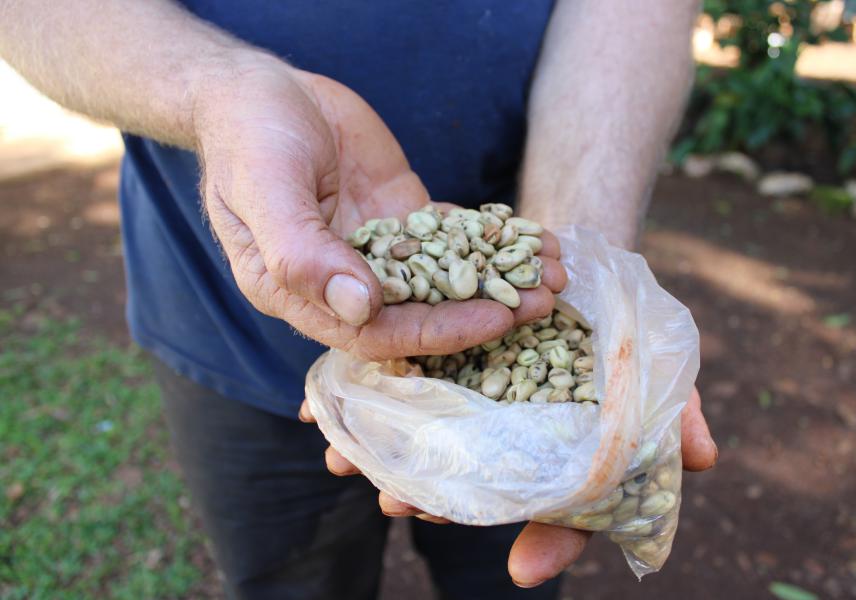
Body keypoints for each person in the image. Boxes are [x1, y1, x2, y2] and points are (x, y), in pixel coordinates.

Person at [0, 1, 717, 598]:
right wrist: (216, 87)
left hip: (517, 371)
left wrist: (587, 266)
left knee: (513, 566)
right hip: (216, 315)